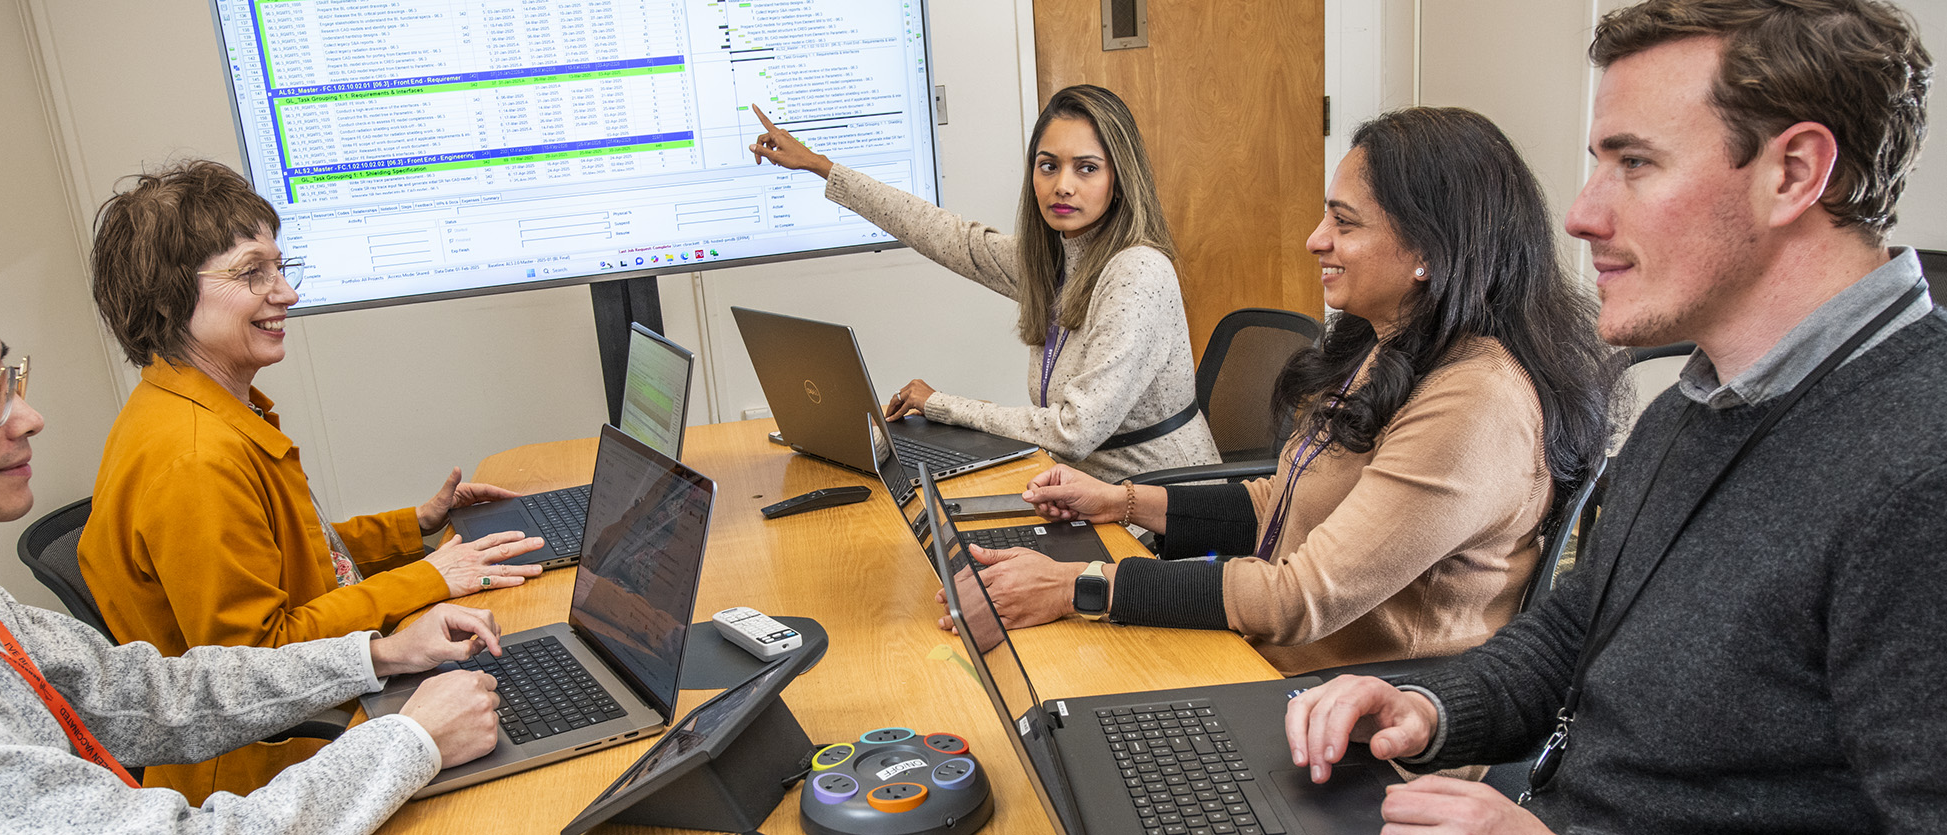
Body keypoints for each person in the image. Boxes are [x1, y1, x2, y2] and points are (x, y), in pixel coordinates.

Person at [1286, 1, 1943, 832]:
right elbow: (1575, 633)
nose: (1580, 215)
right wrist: (1425, 704)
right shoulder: (1693, 405)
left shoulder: (1922, 470)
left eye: (1633, 162)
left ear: (1795, 171)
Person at [0, 196, 512, 831]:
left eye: (12, 375)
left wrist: (372, 659)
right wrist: (408, 739)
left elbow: (143, 692)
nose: (26, 417)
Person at [944, 107, 1620, 676]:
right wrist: (1119, 500)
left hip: (1365, 730)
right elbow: (1285, 499)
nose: (1314, 239)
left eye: (1344, 223)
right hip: (1283, 668)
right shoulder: (1390, 345)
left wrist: (1074, 586)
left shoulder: (1475, 402)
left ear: (1429, 251)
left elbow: (1300, 595)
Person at [75, 159, 544, 801]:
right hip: (268, 772)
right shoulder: (192, 458)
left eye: (280, 268)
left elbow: (295, 554)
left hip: (316, 727)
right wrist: (428, 578)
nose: (286, 293)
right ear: (167, 298)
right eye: (250, 273)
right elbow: (258, 664)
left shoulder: (205, 411)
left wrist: (414, 528)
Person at [748, 86, 1217, 480]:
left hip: (1161, 514)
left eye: (1087, 168)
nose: (1063, 185)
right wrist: (823, 168)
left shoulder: (1138, 271)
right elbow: (946, 236)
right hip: (1079, 491)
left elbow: (1073, 433)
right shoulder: (1053, 259)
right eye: (1048, 165)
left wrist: (944, 405)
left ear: (1120, 178)